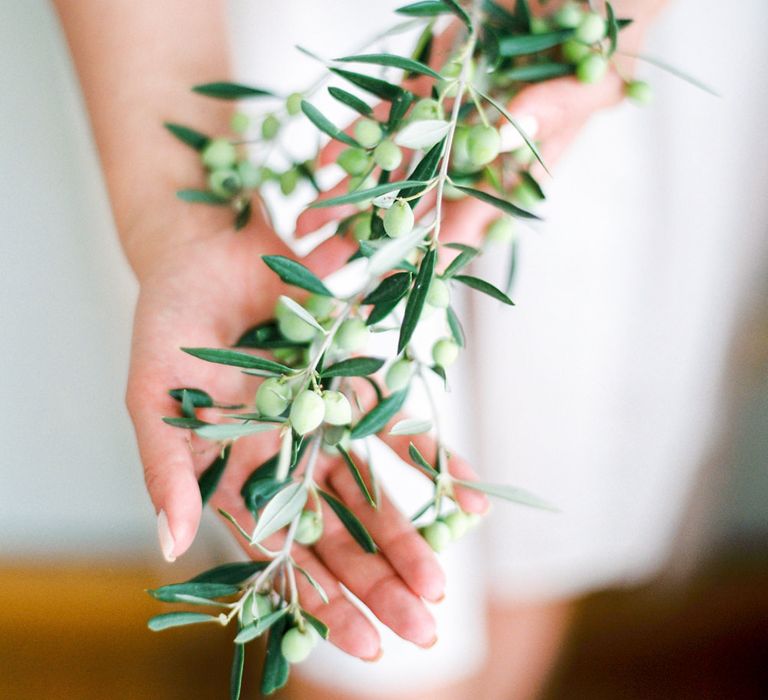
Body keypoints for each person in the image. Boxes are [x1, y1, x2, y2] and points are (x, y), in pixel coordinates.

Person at [33, 0, 767, 698]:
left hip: (564, 62)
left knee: (535, 538)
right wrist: (178, 222)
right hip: (249, 46)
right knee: (381, 657)